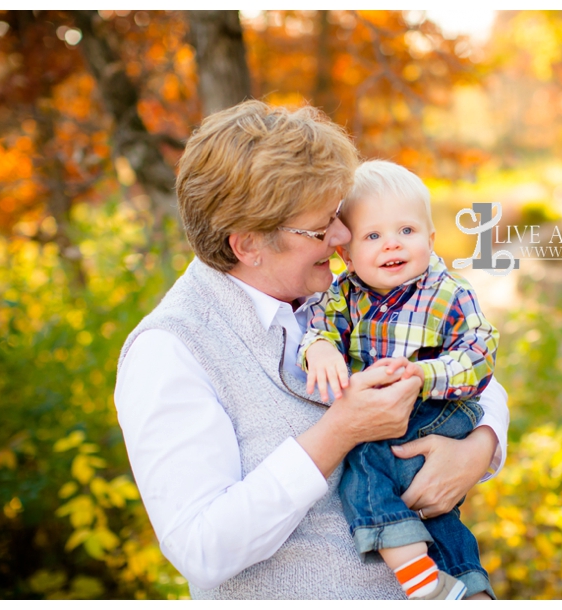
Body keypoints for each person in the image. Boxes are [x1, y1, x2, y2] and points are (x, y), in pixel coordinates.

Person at [113, 100, 509, 600]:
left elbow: (473, 359)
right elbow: (202, 547)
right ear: (248, 245)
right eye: (323, 229)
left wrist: (482, 446)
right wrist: (339, 432)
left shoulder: (348, 284)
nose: (344, 238)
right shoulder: (170, 351)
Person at [299, 161, 498, 599]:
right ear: (346, 256)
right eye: (373, 236)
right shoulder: (344, 295)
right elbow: (319, 328)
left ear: (430, 240)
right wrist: (320, 349)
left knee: (366, 466)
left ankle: (419, 581)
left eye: (406, 231)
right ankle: (469, 587)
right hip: (392, 414)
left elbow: (482, 352)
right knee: (433, 508)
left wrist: (425, 374)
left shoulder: (448, 292)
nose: (392, 244)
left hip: (440, 407)